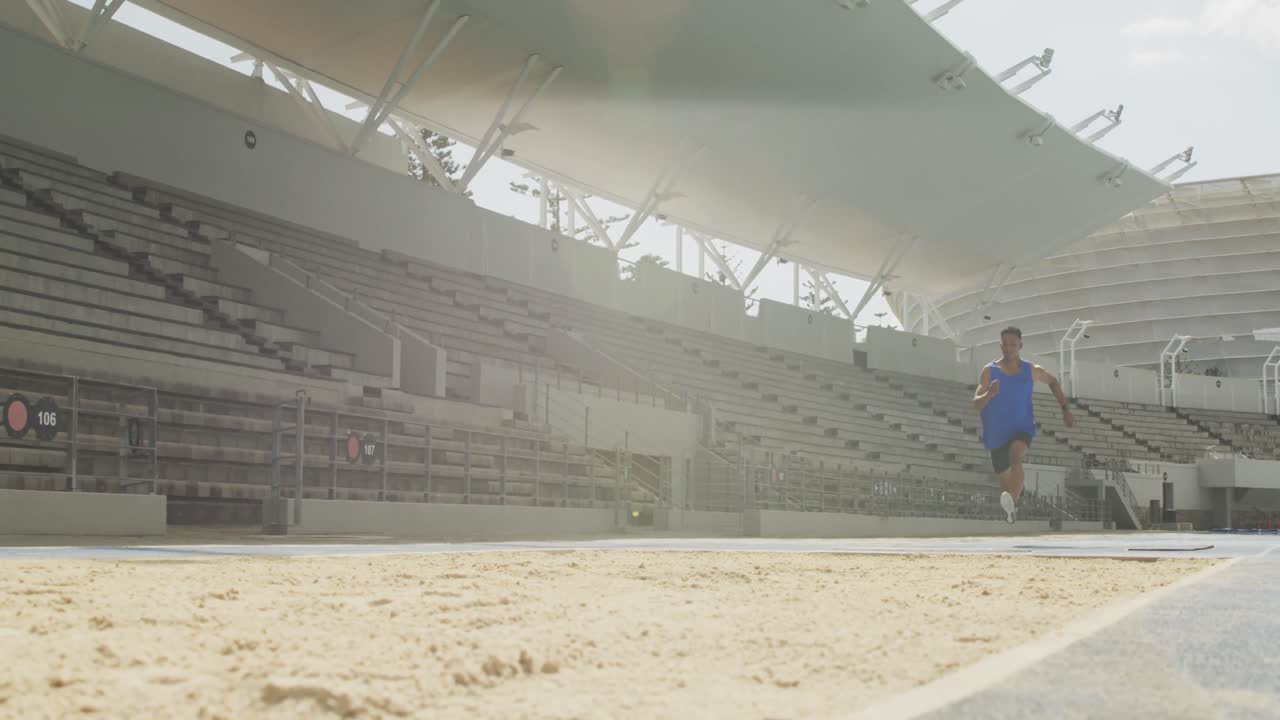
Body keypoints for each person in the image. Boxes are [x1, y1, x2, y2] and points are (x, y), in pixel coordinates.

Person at [972, 326, 1074, 523]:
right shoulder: (989, 371)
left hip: (1022, 427)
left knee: (1016, 456)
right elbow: (976, 403)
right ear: (1000, 345)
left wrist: (1065, 409)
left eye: (1013, 344)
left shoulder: (1031, 370)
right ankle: (1013, 507)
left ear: (1020, 345)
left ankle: (1015, 499)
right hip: (996, 433)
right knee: (1005, 484)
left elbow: (1053, 382)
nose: (1008, 348)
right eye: (1005, 344)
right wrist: (989, 394)